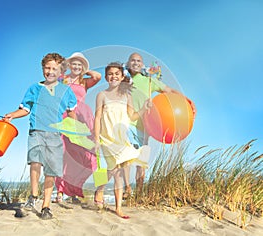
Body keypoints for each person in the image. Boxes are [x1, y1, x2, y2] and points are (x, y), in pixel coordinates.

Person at [3, 53, 77, 220]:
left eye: (55, 69)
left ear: (61, 72)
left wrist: (75, 129)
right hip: (36, 130)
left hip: (55, 134)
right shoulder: (34, 89)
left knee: (51, 170)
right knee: (35, 161)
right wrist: (12, 115)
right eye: (47, 68)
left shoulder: (66, 91)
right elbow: (26, 109)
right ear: (43, 69)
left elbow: (72, 112)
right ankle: (33, 196)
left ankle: (46, 206)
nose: (50, 71)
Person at [123, 52, 197, 198]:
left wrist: (186, 99)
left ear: (142, 64)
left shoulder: (150, 80)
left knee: (141, 161)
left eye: (138, 61)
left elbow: (168, 90)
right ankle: (127, 189)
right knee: (126, 157)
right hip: (128, 122)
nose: (136, 63)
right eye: (133, 60)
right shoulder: (124, 80)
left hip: (145, 126)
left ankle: (139, 192)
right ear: (128, 62)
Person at [93, 62, 151, 219]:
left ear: (122, 77)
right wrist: (97, 138)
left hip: (122, 139)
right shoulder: (102, 95)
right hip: (107, 138)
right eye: (110, 74)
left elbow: (132, 116)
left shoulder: (127, 96)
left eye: (117, 74)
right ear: (106, 77)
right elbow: (97, 118)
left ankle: (118, 208)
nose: (113, 76)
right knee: (111, 169)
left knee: (119, 171)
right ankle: (100, 189)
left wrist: (144, 108)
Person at [54, 52, 101, 203]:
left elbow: (98, 77)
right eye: (74, 63)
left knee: (82, 156)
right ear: (69, 65)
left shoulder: (84, 81)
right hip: (65, 116)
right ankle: (60, 193)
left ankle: (74, 191)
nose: (76, 66)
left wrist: (84, 70)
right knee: (63, 154)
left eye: (79, 64)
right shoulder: (63, 79)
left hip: (82, 118)